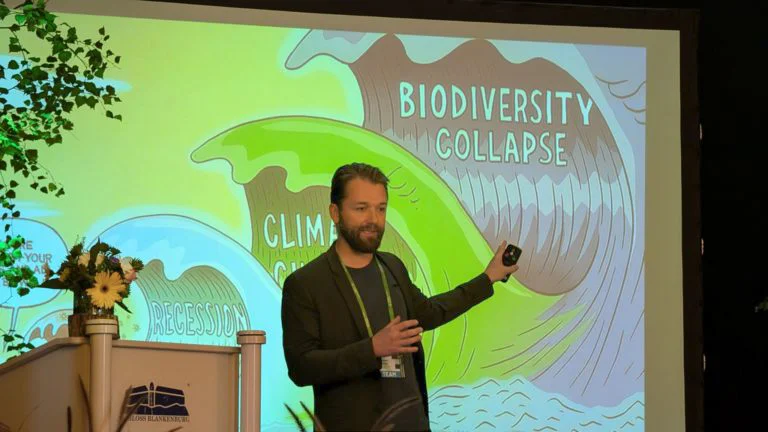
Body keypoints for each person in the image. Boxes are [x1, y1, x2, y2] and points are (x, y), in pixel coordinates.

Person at [281, 163, 519, 431]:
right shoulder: (305, 283)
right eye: (361, 208)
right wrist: (372, 349)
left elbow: (430, 312)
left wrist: (488, 278)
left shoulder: (392, 266)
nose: (373, 219)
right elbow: (301, 368)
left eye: (381, 208)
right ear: (335, 213)